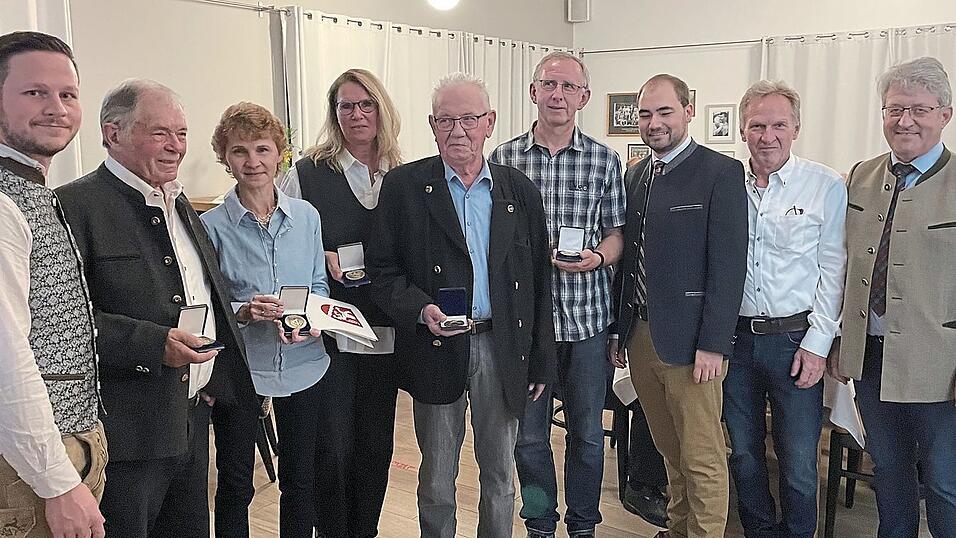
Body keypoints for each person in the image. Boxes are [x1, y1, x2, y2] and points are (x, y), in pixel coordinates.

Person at [56, 79, 256, 537]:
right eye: (160, 132)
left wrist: (215, 380)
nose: (175, 146)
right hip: (127, 430)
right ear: (113, 133)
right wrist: (152, 344)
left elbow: (205, 293)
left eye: (182, 134)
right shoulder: (74, 206)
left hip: (190, 413)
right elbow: (62, 323)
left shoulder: (176, 199)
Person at [366, 72, 556, 538]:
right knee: (435, 480)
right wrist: (419, 309)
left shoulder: (519, 191)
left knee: (499, 479)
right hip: (435, 348)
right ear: (432, 125)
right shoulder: (405, 186)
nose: (458, 131)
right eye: (446, 120)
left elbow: (538, 283)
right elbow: (383, 271)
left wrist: (542, 361)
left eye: (469, 119)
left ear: (489, 122)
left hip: (502, 346)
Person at [489, 50, 626, 538]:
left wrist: (598, 258)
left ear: (584, 97)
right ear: (533, 92)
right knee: (528, 437)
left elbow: (617, 234)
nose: (558, 95)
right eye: (550, 85)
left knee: (588, 436)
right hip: (525, 327)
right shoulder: (502, 159)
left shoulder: (604, 160)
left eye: (569, 87)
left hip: (587, 320)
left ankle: (584, 524)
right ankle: (540, 523)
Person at [608, 73, 748, 538]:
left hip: (693, 345)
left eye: (665, 111)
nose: (654, 122)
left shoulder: (720, 173)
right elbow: (630, 260)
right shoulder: (635, 174)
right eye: (645, 114)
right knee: (669, 449)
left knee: (702, 454)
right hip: (642, 335)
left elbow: (729, 268)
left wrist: (714, 344)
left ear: (689, 111)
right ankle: (679, 527)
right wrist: (619, 331)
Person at [830, 56, 956, 538]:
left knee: (945, 483)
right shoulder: (860, 176)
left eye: (920, 110)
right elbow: (845, 267)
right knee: (890, 476)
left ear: (944, 114)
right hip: (872, 358)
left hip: (939, 366)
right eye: (895, 109)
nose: (905, 121)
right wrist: (841, 340)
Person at [278, 68, 402, 537]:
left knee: (375, 445)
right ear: (334, 113)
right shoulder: (306, 173)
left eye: (365, 104)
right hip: (326, 331)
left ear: (381, 109)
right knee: (332, 447)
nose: (356, 114)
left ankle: (364, 530)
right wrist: (319, 255)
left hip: (383, 330)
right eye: (345, 106)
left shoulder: (403, 174)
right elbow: (285, 244)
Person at [202, 101, 333, 538]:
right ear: (225, 159)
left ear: (281, 154)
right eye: (239, 151)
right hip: (243, 372)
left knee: (300, 481)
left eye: (262, 149)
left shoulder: (308, 217)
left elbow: (319, 284)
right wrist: (244, 311)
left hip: (306, 365)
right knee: (236, 484)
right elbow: (207, 306)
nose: (253, 161)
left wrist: (314, 316)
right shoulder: (210, 226)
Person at [725, 80, 847, 538]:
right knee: (743, 451)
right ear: (742, 129)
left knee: (797, 459)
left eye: (779, 124)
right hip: (735, 339)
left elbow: (834, 269)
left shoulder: (824, 185)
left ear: (796, 128)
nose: (767, 135)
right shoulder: (726, 184)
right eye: (757, 125)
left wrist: (818, 345)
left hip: (794, 340)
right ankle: (758, 530)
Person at [0, 30, 106, 538]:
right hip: (26, 471)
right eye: (34, 92)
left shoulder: (32, 192)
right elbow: (6, 359)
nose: (57, 108)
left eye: (67, 95)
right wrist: (57, 482)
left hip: (62, 451)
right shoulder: (3, 203)